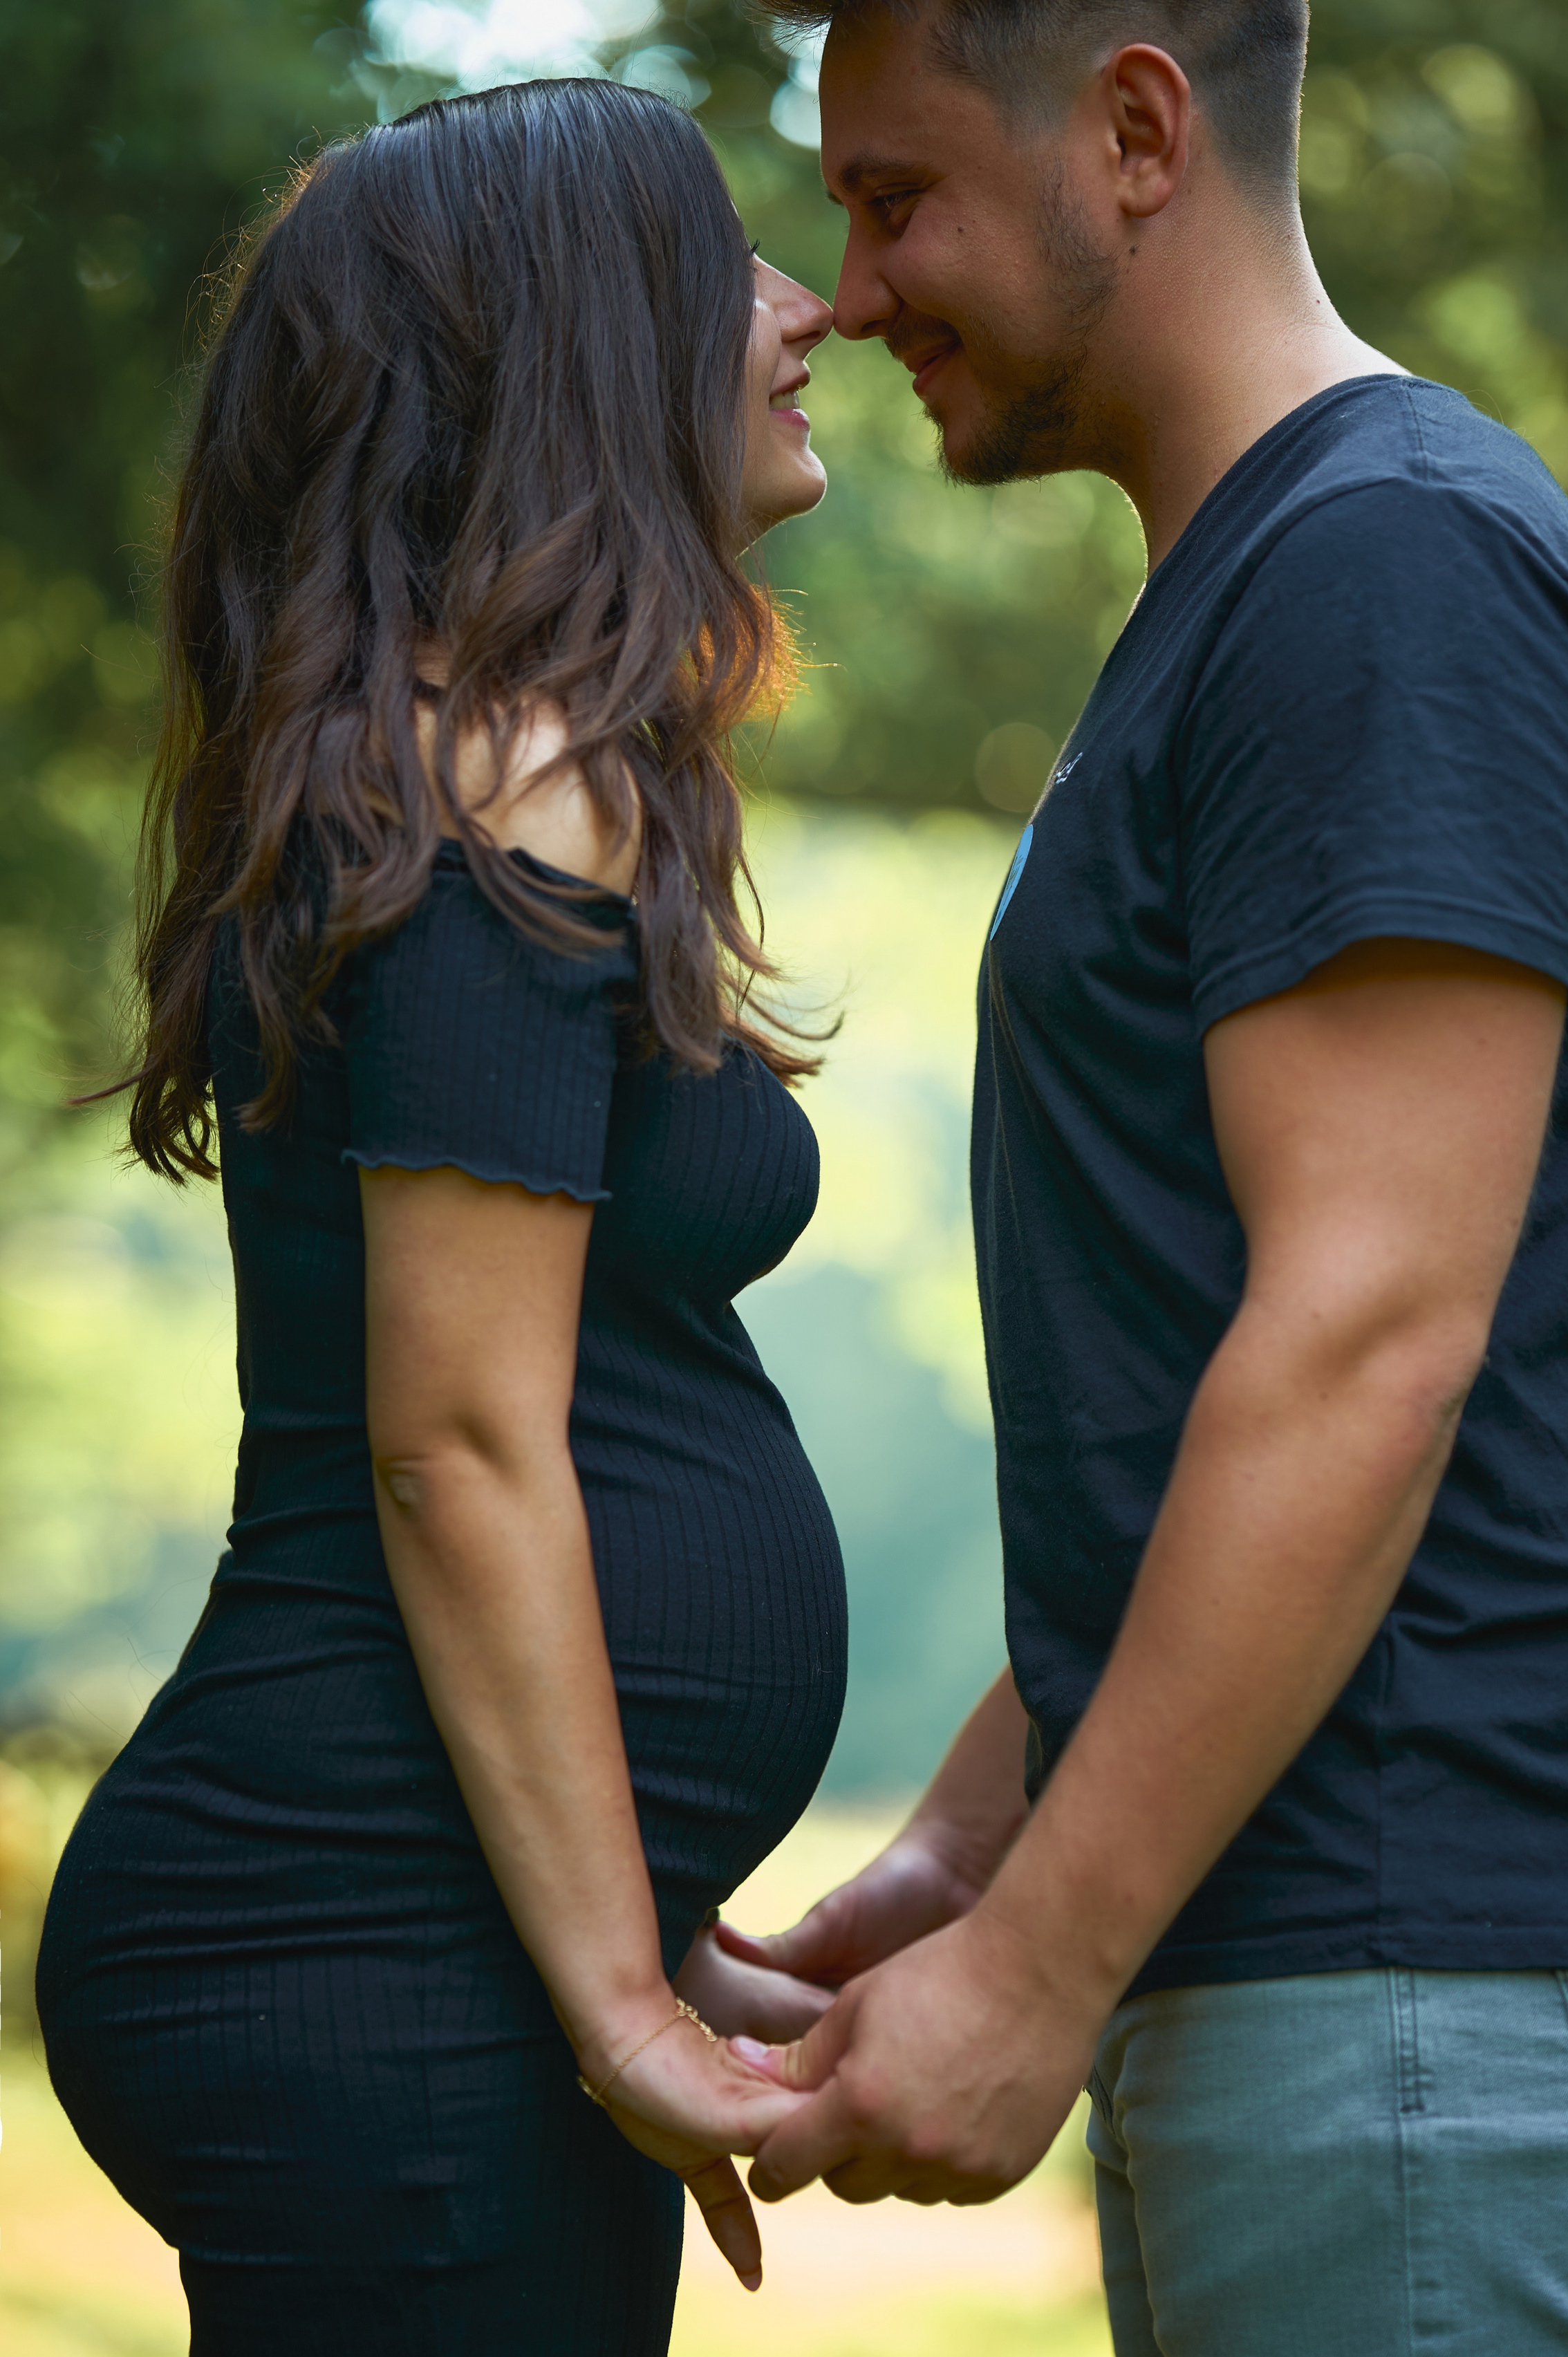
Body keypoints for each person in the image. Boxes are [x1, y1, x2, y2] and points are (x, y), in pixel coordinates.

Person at [724, 6, 1568, 2351]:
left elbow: (1365, 1344)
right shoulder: (1273, 587)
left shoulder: (1380, 573)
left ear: (1133, 128)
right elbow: (1239, 1351)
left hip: (1412, 1966)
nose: (854, 291)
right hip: (1347, 1972)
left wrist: (1041, 1963)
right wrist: (967, 1849)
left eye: (898, 199)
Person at [37, 77, 843, 2356]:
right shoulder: (508, 774)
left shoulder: (477, 771)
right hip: (362, 1940)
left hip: (419, 1928)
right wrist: (616, 1997)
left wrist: (643, 1909)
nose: (809, 308)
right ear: (590, 342)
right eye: (729, 264)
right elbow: (457, 1443)